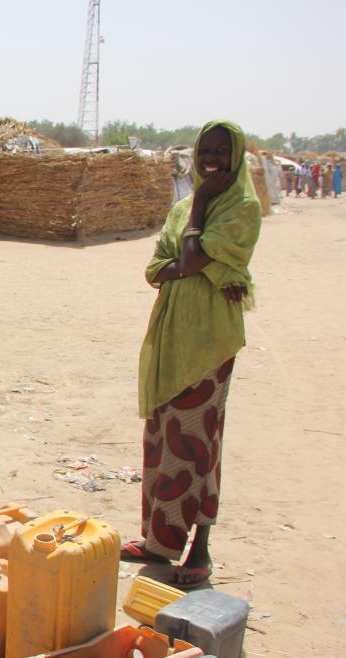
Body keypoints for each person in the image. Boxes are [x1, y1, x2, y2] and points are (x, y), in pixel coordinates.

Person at [123, 120, 261, 587]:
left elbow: (191, 260)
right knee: (162, 439)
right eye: (207, 150)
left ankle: (200, 548)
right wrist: (189, 257)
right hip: (170, 340)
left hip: (210, 344)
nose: (212, 159)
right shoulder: (182, 208)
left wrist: (200, 209)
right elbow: (159, 267)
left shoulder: (242, 207)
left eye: (222, 151)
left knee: (198, 444)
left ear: (235, 156)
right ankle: (159, 541)